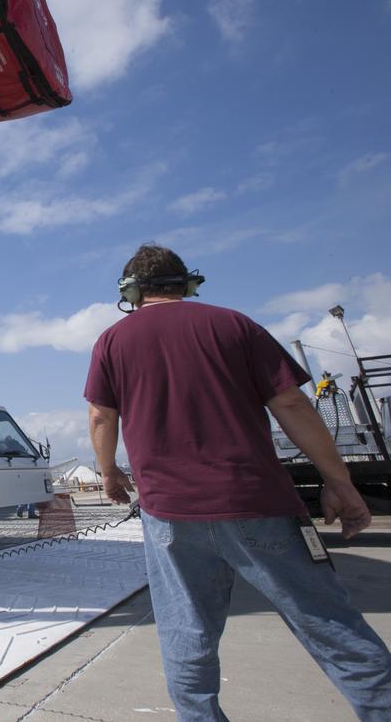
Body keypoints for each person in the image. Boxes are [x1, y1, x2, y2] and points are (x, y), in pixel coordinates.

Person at [84, 243, 391, 722]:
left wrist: (108, 473)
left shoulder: (112, 341)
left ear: (132, 291)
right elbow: (291, 405)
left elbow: (102, 416)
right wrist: (340, 482)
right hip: (257, 502)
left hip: (168, 514)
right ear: (186, 284)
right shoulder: (234, 324)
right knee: (332, 626)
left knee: (186, 633)